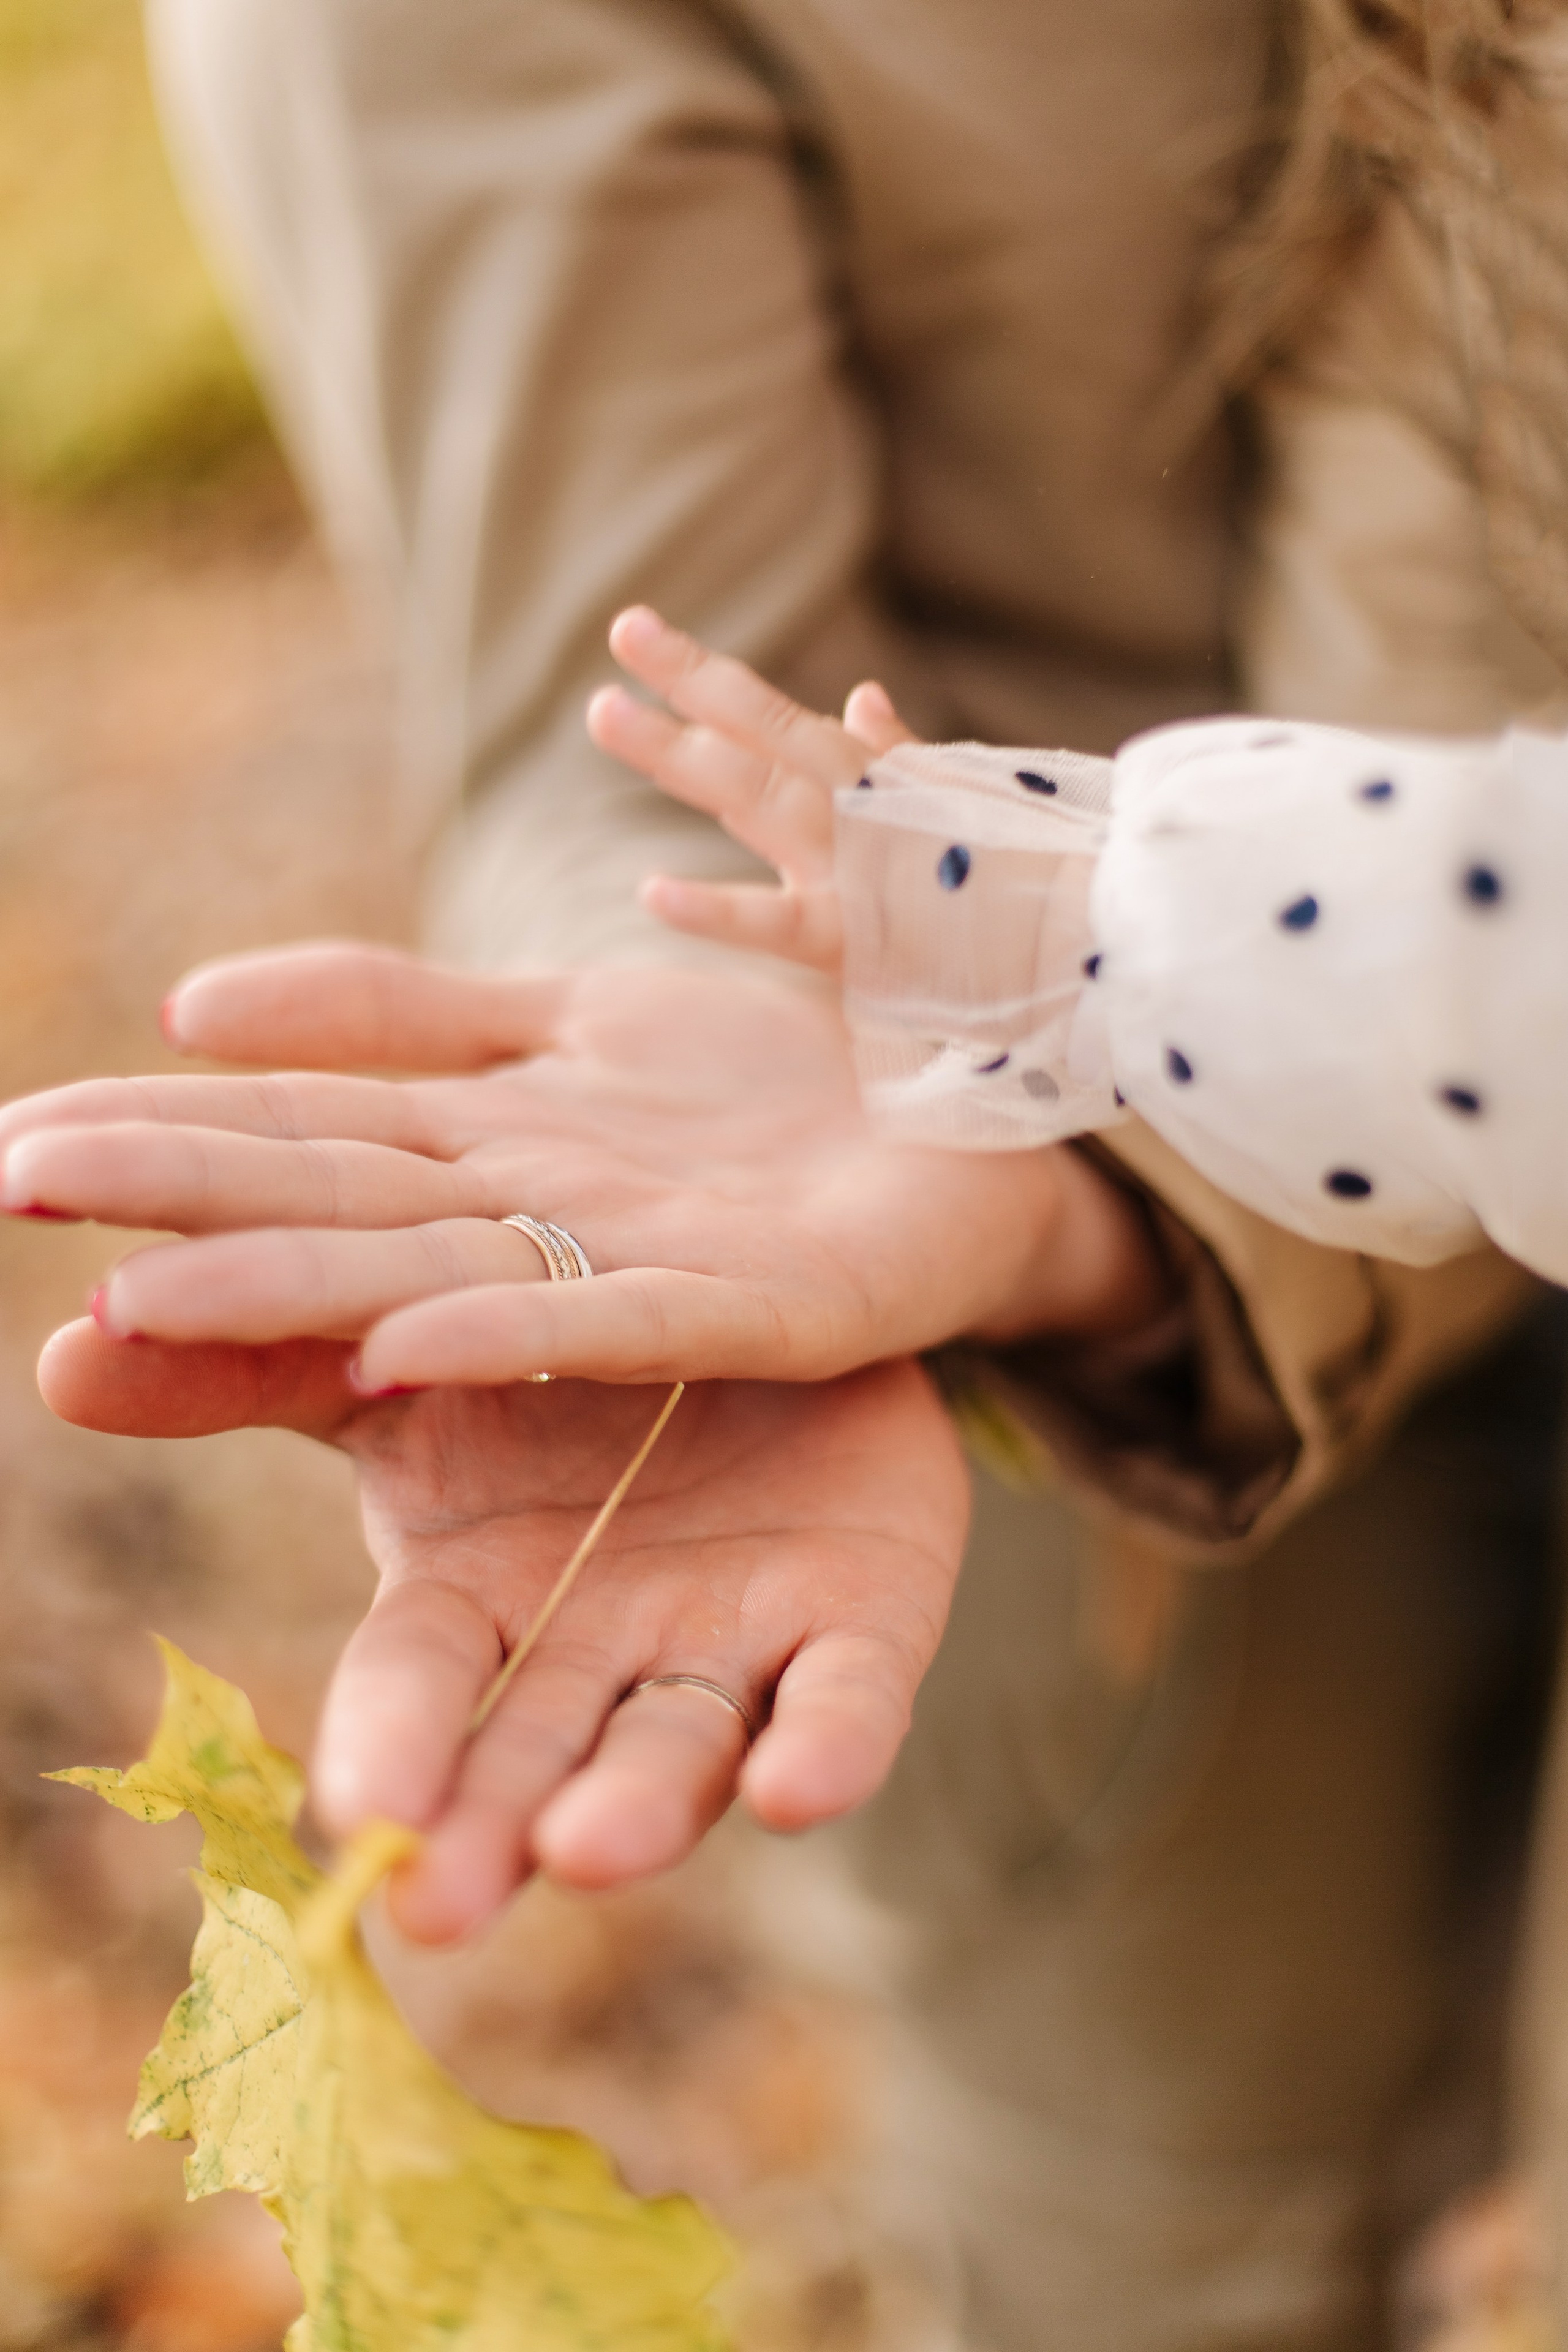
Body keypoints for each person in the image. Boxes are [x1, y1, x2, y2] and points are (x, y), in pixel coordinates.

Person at [28, 1, 1568, 2342]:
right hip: (1061, 1281)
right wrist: (928, 1080)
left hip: (1283, 1015)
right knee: (1178, 2227)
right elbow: (631, 706)